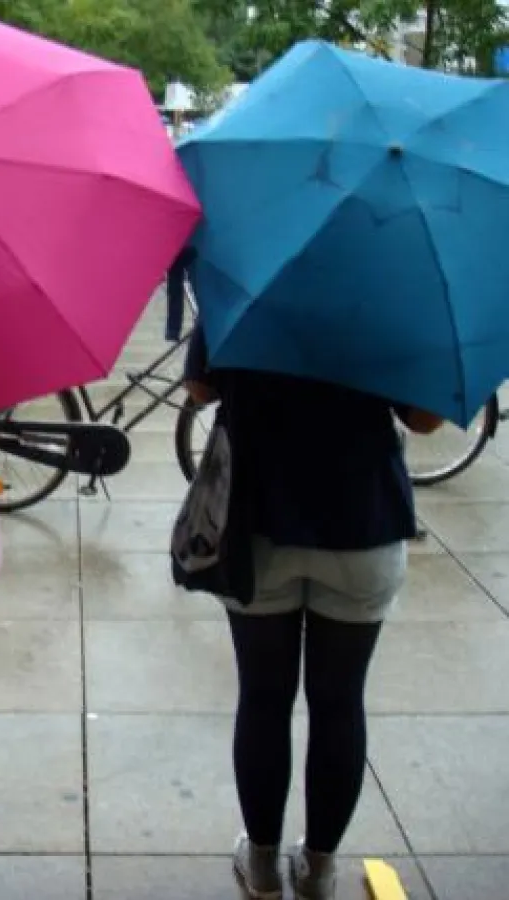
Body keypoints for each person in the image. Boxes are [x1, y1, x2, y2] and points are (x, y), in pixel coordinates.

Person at [171, 263, 442, 900]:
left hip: (257, 527)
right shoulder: (390, 288)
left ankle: (261, 864)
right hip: (362, 527)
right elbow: (426, 418)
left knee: (262, 697)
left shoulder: (244, 272)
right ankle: (318, 868)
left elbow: (199, 390)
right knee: (339, 701)